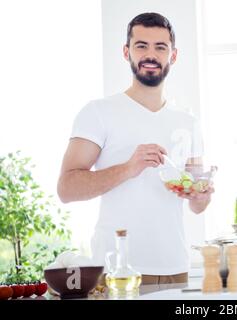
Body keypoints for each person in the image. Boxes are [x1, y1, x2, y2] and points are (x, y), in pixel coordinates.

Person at [57, 12, 214, 285]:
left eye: (160, 47)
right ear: (126, 51)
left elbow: (198, 203)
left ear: (173, 56)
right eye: (141, 45)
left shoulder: (189, 122)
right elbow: (66, 189)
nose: (150, 55)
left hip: (176, 268)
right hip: (118, 271)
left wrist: (200, 196)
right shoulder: (98, 113)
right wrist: (129, 168)